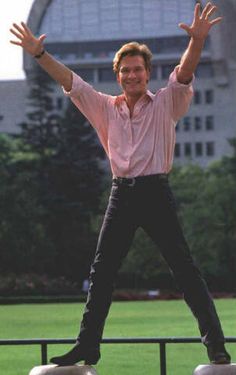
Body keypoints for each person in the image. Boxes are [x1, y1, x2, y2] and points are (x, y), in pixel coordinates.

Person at [10, 2, 231, 366]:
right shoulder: (104, 107)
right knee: (102, 272)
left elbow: (186, 73)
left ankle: (216, 346)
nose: (132, 76)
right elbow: (71, 82)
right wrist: (40, 53)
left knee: (186, 271)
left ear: (148, 73)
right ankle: (87, 346)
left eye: (138, 70)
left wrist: (197, 41)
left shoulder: (166, 103)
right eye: (126, 70)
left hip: (156, 192)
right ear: (118, 75)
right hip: (121, 195)